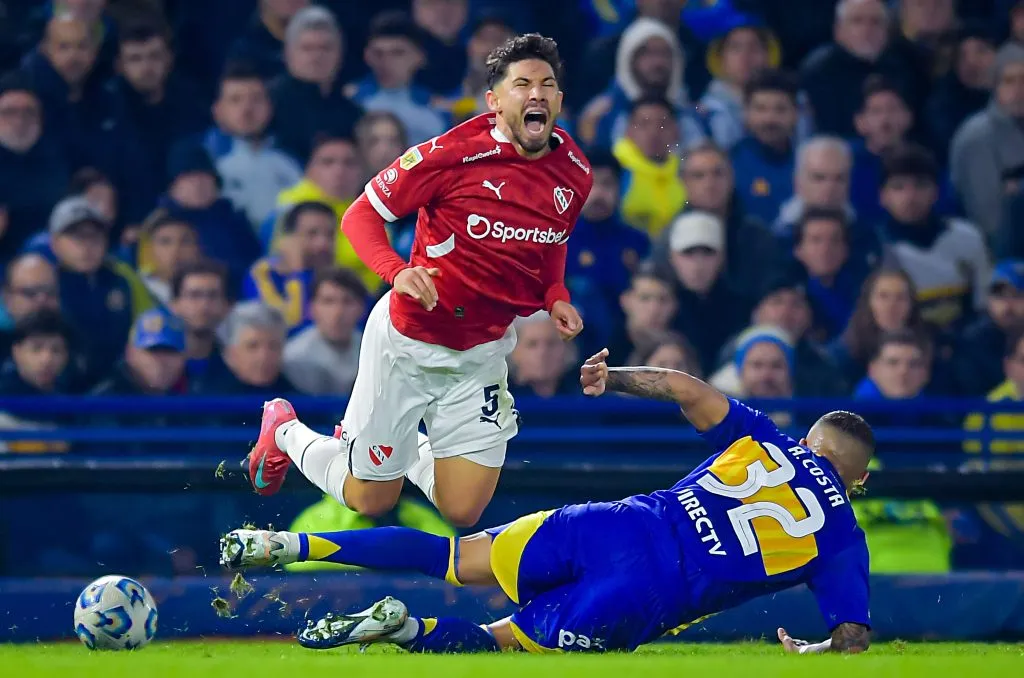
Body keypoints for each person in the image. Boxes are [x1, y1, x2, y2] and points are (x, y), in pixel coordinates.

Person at [222, 348, 873, 656]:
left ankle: (286, 545)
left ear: (811, 440)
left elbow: (682, 385)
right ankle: (404, 628)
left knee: (453, 556)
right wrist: (813, 654)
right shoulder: (844, 540)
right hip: (647, 591)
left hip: (611, 524)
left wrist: (611, 378)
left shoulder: (767, 438)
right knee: (497, 643)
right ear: (857, 481)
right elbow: (851, 639)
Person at [242, 34, 592, 528]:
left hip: (484, 352)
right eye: (522, 85)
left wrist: (554, 295)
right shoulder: (451, 155)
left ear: (558, 99)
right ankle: (285, 431)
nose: (535, 94)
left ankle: (390, 440)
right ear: (494, 102)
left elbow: (551, 239)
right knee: (371, 501)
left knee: (462, 510)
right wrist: (396, 271)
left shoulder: (575, 171)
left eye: (547, 85)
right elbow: (359, 216)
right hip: (408, 343)